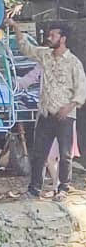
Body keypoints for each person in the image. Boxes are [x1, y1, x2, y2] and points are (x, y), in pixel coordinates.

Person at [13, 20, 86, 200]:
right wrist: (15, 27)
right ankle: (34, 189)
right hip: (46, 113)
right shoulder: (45, 55)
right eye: (50, 34)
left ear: (63, 38)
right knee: (39, 153)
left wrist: (68, 107)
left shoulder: (74, 63)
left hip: (65, 116)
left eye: (53, 35)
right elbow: (26, 48)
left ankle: (63, 188)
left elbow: (81, 91)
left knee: (65, 155)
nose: (49, 37)